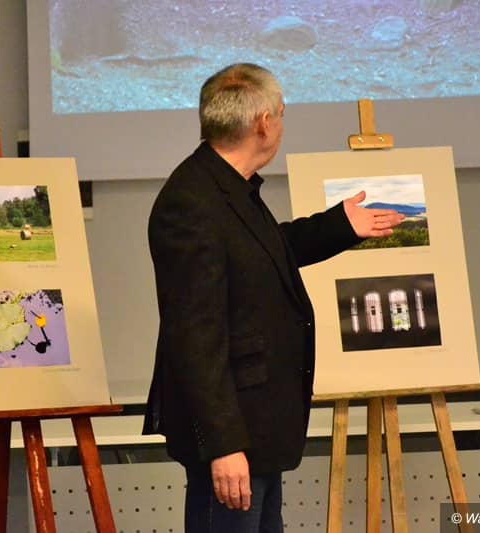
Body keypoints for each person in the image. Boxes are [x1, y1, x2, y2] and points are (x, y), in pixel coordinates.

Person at [142, 63, 404, 533]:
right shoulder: (192, 202)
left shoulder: (227, 185)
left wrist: (339, 226)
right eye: (281, 114)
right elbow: (194, 337)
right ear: (263, 123)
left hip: (256, 426)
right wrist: (223, 445)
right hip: (233, 438)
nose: (282, 124)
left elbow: (261, 252)